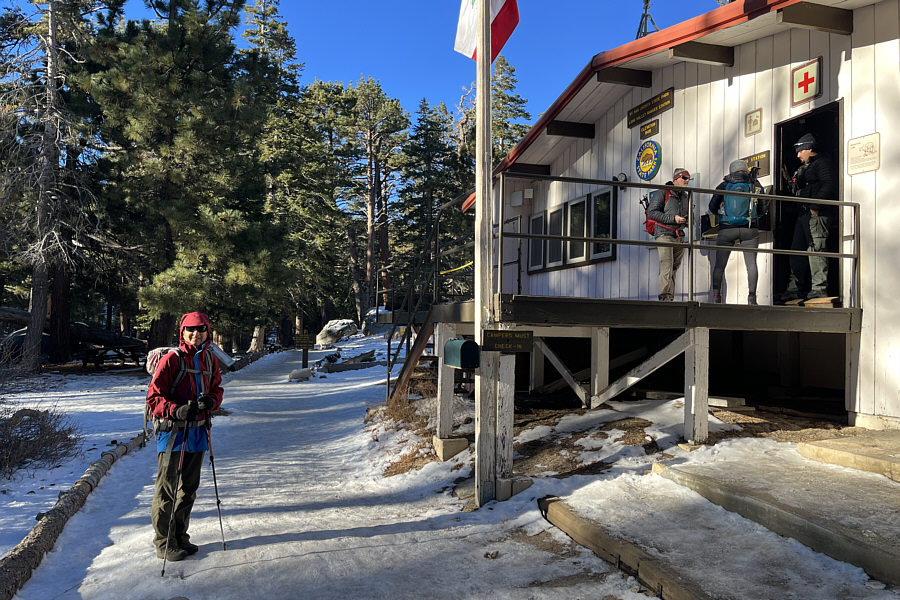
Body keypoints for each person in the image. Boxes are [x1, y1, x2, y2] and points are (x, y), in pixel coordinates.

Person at [147, 311, 223, 562]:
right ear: (182, 331)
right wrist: (177, 410)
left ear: (207, 331)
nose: (195, 333)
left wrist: (211, 401)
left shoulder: (210, 360)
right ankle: (164, 541)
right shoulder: (171, 359)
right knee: (167, 489)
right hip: (173, 433)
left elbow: (216, 389)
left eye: (201, 329)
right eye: (190, 329)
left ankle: (180, 536)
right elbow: (154, 398)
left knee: (189, 489)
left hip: (199, 431)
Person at [780, 133, 837, 302]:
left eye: (800, 151)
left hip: (816, 214)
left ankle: (819, 289)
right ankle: (794, 289)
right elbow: (800, 191)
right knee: (796, 250)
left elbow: (829, 184)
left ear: (809, 148)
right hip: (804, 214)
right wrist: (788, 179)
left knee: (816, 250)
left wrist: (815, 206)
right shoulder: (806, 167)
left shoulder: (823, 163)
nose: (798, 155)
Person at [708, 160, 764, 305]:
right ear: (745, 170)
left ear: (732, 170)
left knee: (720, 265)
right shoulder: (755, 185)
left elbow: (712, 207)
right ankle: (752, 298)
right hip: (749, 229)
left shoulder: (724, 185)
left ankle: (716, 298)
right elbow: (762, 209)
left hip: (726, 229)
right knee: (751, 264)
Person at [649, 167, 692, 301]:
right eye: (684, 178)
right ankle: (664, 298)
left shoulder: (686, 196)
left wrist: (688, 220)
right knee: (667, 266)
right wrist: (673, 219)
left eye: (689, 178)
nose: (687, 181)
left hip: (679, 235)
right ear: (676, 179)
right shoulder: (663, 192)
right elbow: (652, 212)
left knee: (673, 268)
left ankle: (669, 298)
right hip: (664, 234)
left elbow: (689, 215)